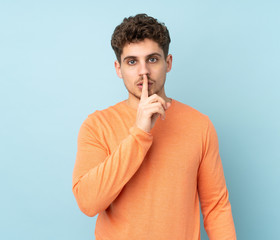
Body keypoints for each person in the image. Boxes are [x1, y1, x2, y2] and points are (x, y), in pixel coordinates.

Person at [72, 13, 236, 240]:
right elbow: (89, 202)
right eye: (132, 61)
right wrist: (139, 133)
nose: (143, 71)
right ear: (118, 69)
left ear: (167, 63)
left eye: (152, 59)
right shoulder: (97, 125)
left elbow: (216, 207)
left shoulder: (199, 125)